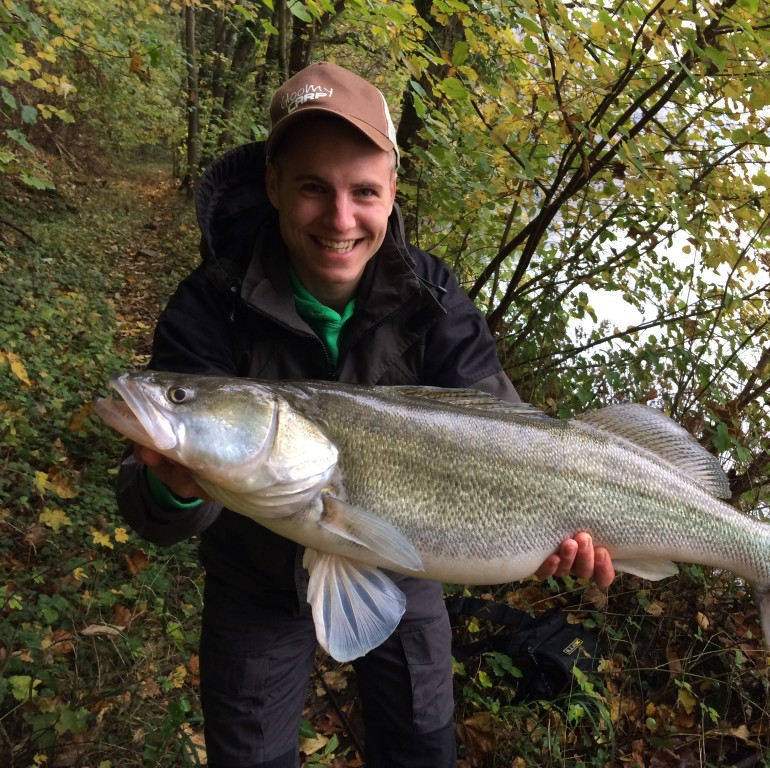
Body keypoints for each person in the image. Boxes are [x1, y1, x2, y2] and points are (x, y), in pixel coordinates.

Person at [114, 61, 614, 768]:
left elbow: (507, 433)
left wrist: (556, 530)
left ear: (392, 194)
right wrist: (176, 487)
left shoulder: (433, 294)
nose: (340, 218)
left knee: (421, 743)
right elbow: (147, 510)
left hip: (404, 561)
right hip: (254, 580)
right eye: (314, 188)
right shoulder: (208, 305)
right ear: (273, 186)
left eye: (363, 192)